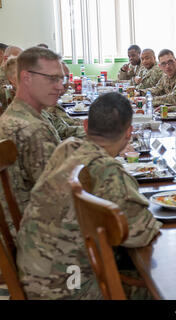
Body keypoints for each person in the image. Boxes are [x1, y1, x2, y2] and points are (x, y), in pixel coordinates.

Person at [16, 92, 162, 299]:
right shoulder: (106, 170)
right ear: (129, 132)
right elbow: (142, 234)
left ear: (85, 126)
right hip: (67, 287)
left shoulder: (66, 148)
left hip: (33, 269)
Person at [0, 47, 63, 221]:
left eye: (61, 79)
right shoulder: (32, 129)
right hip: (38, 235)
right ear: (26, 78)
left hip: (22, 225)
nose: (60, 86)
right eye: (52, 79)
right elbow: (60, 198)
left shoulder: (14, 115)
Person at [44, 61, 85, 139]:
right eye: (57, 78)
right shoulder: (43, 106)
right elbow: (65, 130)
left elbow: (63, 128)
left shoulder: (49, 102)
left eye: (66, 78)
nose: (63, 84)